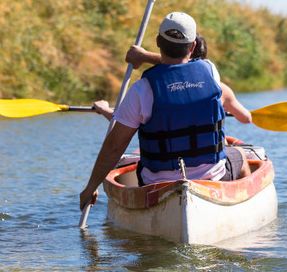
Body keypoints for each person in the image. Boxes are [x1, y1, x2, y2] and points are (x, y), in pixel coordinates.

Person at [80, 12, 250, 211]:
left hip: (156, 184)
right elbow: (182, 68)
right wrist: (143, 56)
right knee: (240, 155)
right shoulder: (211, 72)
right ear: (193, 46)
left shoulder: (140, 90)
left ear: (158, 41)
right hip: (213, 177)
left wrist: (91, 186)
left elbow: (114, 146)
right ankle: (240, 210)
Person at [92, 32, 253, 125]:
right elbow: (246, 118)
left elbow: (122, 122)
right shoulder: (218, 88)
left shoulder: (154, 91)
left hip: (165, 168)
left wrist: (104, 109)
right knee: (239, 157)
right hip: (208, 166)